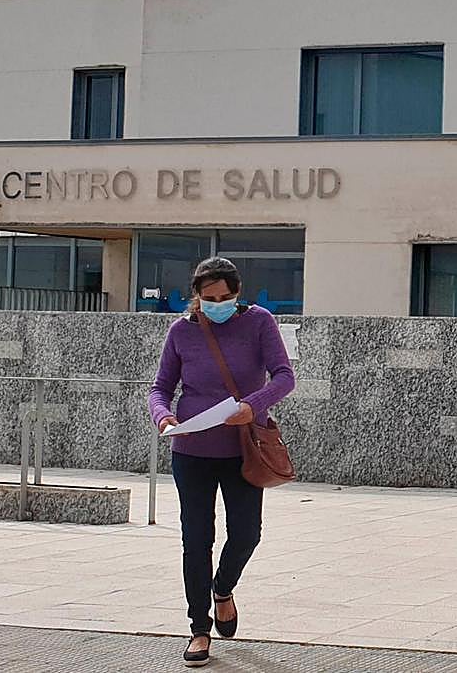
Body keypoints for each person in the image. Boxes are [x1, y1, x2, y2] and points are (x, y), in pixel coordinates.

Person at [148, 257, 296, 667]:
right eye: (209, 298)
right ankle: (199, 629)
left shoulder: (259, 322)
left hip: (244, 449)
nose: (218, 304)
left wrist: (254, 405)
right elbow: (160, 388)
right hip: (192, 450)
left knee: (247, 533)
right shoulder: (182, 332)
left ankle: (223, 589)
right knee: (196, 541)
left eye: (226, 297)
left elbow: (284, 376)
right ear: (196, 297)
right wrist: (164, 417)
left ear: (237, 293)